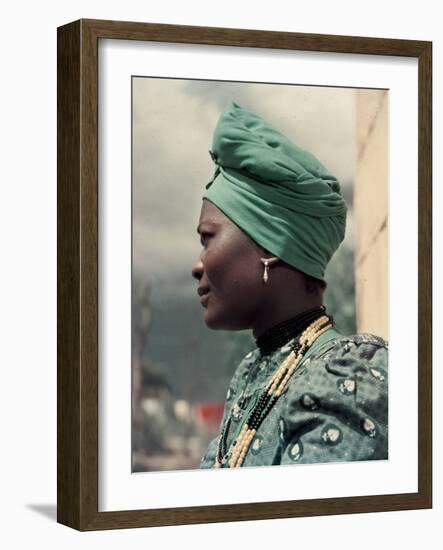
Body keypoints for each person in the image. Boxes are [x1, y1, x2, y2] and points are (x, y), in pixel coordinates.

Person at [191, 101, 388, 469]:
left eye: (207, 238)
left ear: (270, 245)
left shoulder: (346, 381)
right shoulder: (255, 373)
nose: (197, 265)